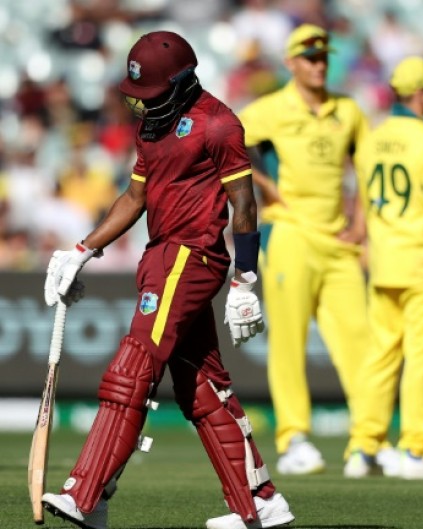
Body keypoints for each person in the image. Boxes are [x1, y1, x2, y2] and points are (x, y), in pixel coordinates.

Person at [40, 31, 294, 529]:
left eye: (152, 95)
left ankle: (87, 493)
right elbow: (135, 199)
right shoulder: (152, 126)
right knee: (202, 384)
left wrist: (245, 279)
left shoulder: (218, 123)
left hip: (192, 256)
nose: (142, 105)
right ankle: (260, 499)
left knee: (133, 365)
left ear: (182, 82)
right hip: (161, 257)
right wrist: (81, 251)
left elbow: (244, 202)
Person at [237, 24, 385, 476]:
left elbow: (367, 168)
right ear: (290, 63)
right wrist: (266, 187)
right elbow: (229, 149)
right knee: (288, 341)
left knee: (360, 343)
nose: (319, 64)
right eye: (309, 57)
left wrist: (360, 223)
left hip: (336, 239)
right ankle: (294, 437)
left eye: (323, 57)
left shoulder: (348, 110)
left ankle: (368, 442)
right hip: (290, 234)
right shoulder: (268, 110)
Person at [344, 57, 423, 480]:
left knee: (380, 359)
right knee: (422, 360)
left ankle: (364, 446)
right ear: (420, 93)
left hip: (384, 263)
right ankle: (417, 449)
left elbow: (364, 202)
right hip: (422, 264)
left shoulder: (373, 140)